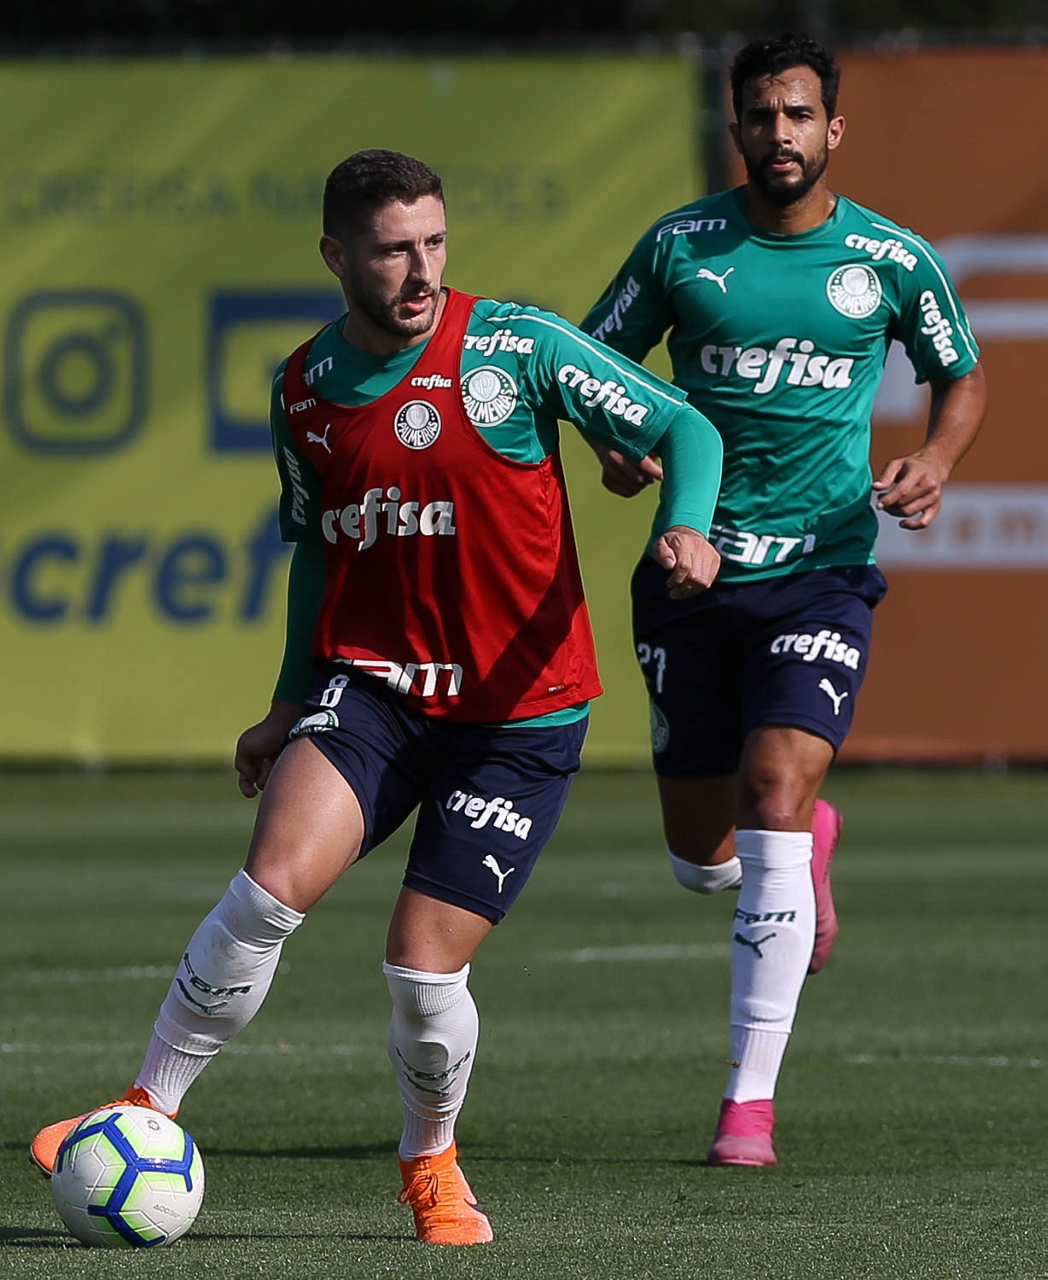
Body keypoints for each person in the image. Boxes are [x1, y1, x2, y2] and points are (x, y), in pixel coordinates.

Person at [30, 149, 723, 1245]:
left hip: (517, 719)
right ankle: (145, 1105)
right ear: (337, 255)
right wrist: (283, 703)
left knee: (418, 967)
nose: (422, 270)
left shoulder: (518, 346)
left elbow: (687, 427)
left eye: (435, 242)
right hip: (376, 692)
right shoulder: (303, 388)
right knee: (266, 887)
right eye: (395, 250)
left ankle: (431, 1161)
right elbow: (318, 553)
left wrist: (685, 524)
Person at [580, 34, 986, 1167]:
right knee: (700, 857)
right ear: (736, 128)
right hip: (692, 571)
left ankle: (746, 1106)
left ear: (833, 129)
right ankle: (809, 837)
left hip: (823, 567)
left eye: (799, 115)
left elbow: (959, 375)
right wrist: (620, 446)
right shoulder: (681, 246)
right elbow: (593, 367)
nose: (780, 134)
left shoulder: (889, 259)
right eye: (761, 116)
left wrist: (936, 458)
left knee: (770, 786)